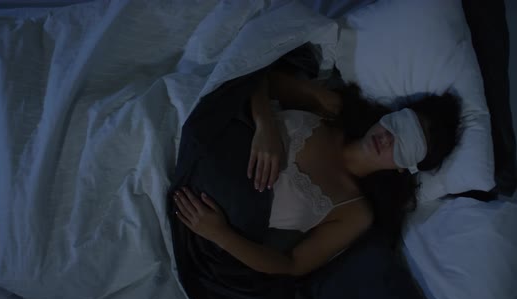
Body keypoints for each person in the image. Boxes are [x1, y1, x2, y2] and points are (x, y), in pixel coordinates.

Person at [172, 67, 461, 277]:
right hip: (208, 138)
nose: (387, 138)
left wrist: (219, 234)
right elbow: (258, 74)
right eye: (397, 125)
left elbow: (292, 265)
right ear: (390, 114)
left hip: (205, 214)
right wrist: (266, 125)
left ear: (403, 168)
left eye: (403, 145)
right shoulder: (330, 109)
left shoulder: (356, 213)